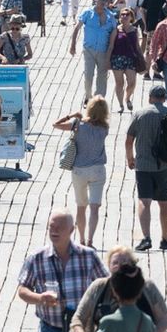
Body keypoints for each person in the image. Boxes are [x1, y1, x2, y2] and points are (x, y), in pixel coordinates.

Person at [15, 211, 104, 332]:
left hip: (82, 331)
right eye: (51, 227)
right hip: (50, 330)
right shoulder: (37, 258)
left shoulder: (88, 256)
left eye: (59, 228)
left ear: (72, 230)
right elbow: (22, 289)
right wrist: (40, 297)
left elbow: (106, 285)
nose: (54, 231)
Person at [126, 84, 167, 251]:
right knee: (165, 202)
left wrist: (130, 158)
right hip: (166, 165)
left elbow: (129, 140)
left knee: (144, 201)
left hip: (143, 165)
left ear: (149, 98)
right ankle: (165, 238)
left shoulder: (140, 114)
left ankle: (146, 238)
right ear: (164, 98)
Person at [51, 96, 109, 246]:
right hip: (98, 170)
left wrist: (72, 116)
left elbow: (55, 124)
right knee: (95, 208)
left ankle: (81, 240)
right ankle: (90, 240)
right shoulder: (105, 128)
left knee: (81, 207)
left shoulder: (77, 124)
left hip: (79, 170)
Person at [70, 0, 117, 101]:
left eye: (106, 0)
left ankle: (98, 100)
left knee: (102, 76)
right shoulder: (87, 13)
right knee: (88, 75)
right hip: (89, 49)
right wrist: (73, 45)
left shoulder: (110, 16)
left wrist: (110, 53)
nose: (103, 2)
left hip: (103, 50)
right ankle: (88, 96)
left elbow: (114, 34)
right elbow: (77, 28)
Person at [109, 8, 144, 111]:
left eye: (127, 15)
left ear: (131, 17)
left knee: (132, 82)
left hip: (130, 59)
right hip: (117, 58)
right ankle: (121, 105)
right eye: (122, 15)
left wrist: (142, 58)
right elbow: (111, 46)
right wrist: (107, 60)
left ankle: (127, 98)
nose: (124, 16)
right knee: (119, 83)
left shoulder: (134, 30)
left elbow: (137, 46)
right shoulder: (116, 30)